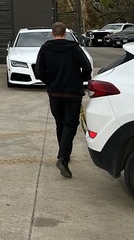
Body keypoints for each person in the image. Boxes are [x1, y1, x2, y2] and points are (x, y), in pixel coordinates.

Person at [36, 22, 92, 178]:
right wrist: (80, 79)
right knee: (70, 125)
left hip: (54, 93)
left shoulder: (45, 49)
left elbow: (39, 71)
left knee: (60, 123)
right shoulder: (74, 48)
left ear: (52, 34)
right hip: (72, 93)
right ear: (65, 34)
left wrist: (50, 83)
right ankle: (63, 158)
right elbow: (87, 67)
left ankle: (63, 155)